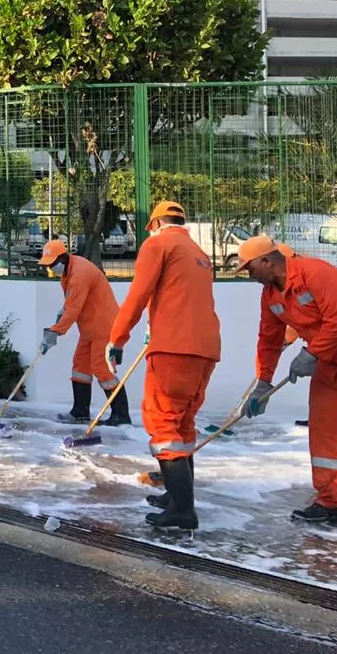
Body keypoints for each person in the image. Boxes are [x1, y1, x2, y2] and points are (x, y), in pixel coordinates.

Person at [236, 234, 337, 526]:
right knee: (325, 432)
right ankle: (331, 503)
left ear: (267, 260)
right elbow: (269, 340)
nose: (249, 276)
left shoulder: (316, 273)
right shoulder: (271, 296)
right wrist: (263, 382)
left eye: (250, 269)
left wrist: (311, 353)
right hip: (328, 368)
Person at [107, 200, 221, 530]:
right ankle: (178, 498)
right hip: (206, 349)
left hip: (174, 348)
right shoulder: (198, 252)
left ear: (155, 223)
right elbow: (181, 297)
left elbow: (138, 293)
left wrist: (117, 338)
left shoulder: (157, 244)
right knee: (183, 427)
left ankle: (183, 512)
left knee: (163, 425)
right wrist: (150, 328)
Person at [37, 239, 130, 426]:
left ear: (63, 258)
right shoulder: (69, 271)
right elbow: (70, 304)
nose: (50, 269)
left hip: (103, 326)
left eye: (52, 264)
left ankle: (121, 416)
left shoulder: (80, 273)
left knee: (102, 369)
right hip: (89, 328)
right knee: (80, 367)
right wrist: (60, 316)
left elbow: (73, 309)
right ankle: (80, 412)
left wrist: (55, 332)